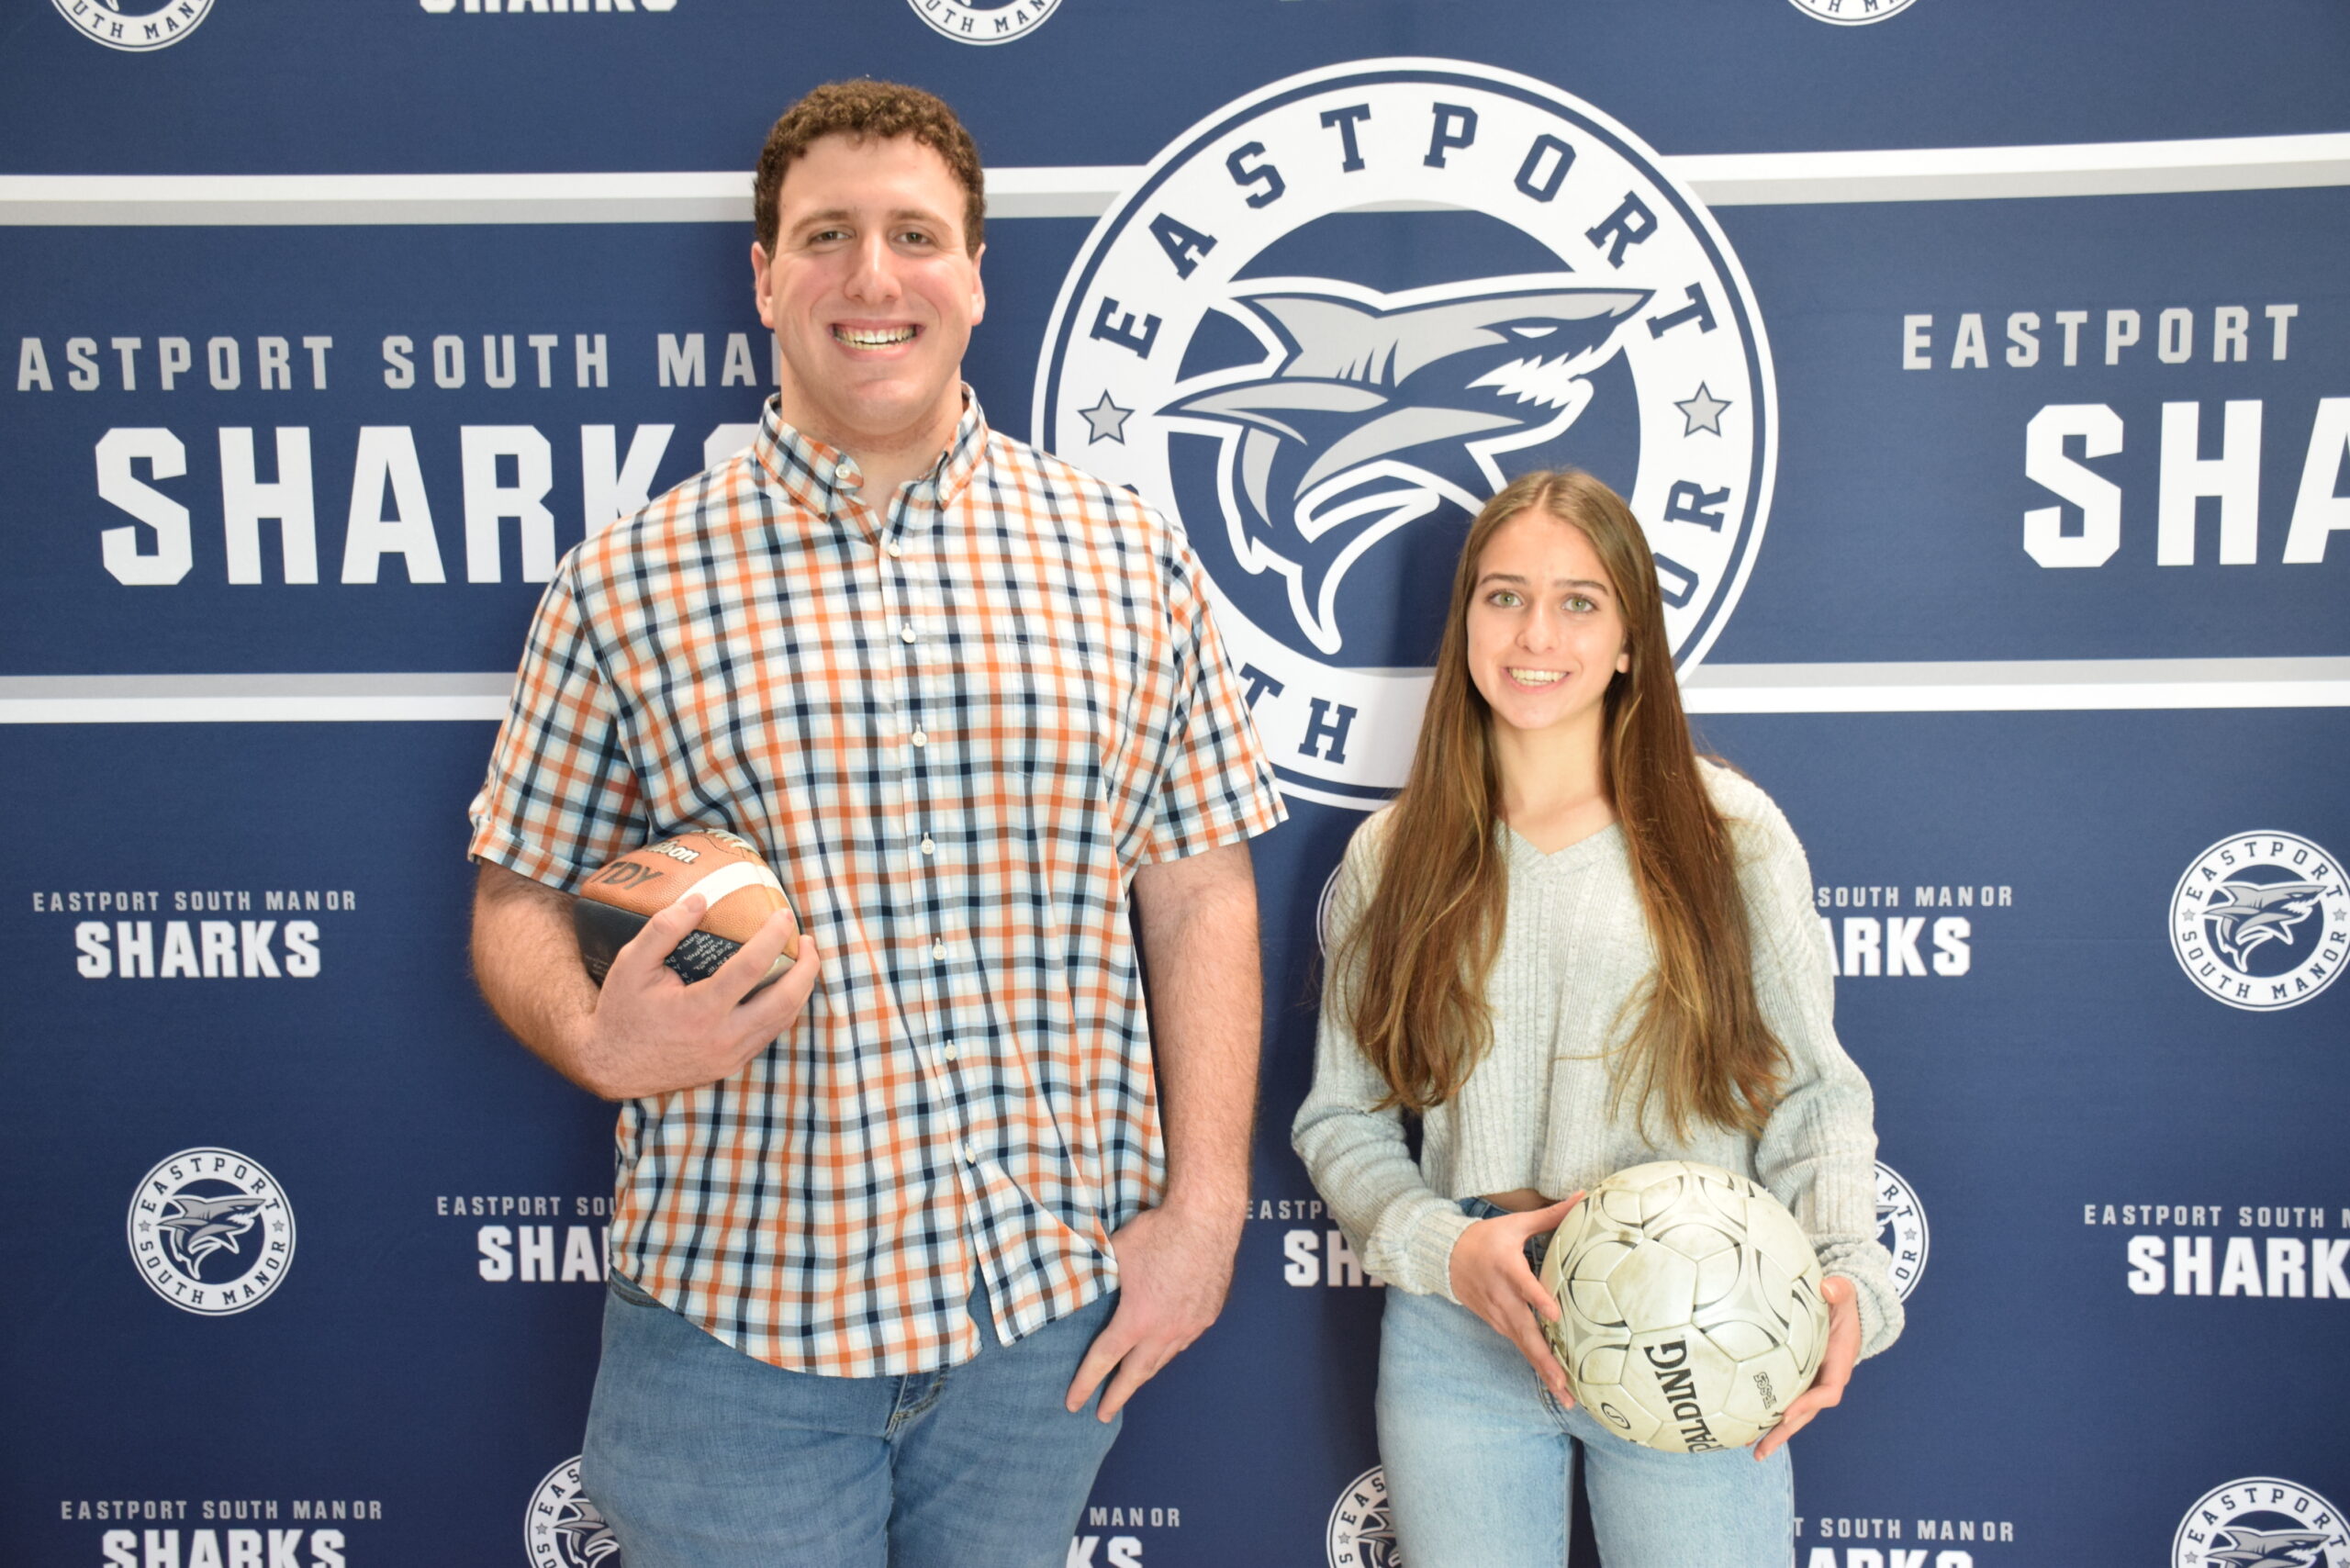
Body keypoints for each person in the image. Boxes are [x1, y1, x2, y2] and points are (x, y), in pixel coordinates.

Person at [466, 80, 1284, 1568]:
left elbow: (1200, 884)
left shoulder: (1124, 552)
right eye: (826, 235)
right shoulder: (630, 581)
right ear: (765, 275)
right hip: (742, 1319)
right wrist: (598, 1042)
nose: (872, 275)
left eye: (915, 234)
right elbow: (518, 896)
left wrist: (1206, 1207)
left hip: (1039, 1314)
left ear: (974, 275)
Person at [1292, 469, 1900, 1568]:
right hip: (1458, 1325)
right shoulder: (1394, 854)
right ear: (1466, 621)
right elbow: (1341, 1119)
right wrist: (1447, 1246)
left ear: (1630, 639)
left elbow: (1814, 1093)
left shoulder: (1731, 835)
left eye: (1579, 601)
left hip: (1698, 1316)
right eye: (1503, 595)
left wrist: (1848, 1273)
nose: (1536, 633)